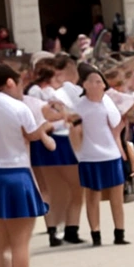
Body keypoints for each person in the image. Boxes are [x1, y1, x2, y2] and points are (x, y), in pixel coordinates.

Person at [0, 61, 56, 267]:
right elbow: (34, 135)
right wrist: (44, 129)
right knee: (20, 241)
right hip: (15, 173)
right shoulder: (18, 107)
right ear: (10, 82)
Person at [68, 64, 129, 246]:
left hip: (111, 154)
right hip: (90, 156)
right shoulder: (79, 107)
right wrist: (79, 154)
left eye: (100, 81)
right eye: (93, 81)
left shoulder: (108, 103)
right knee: (92, 196)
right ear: (85, 85)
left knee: (117, 196)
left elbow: (116, 127)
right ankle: (96, 233)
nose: (99, 85)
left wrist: (121, 150)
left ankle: (119, 232)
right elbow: (75, 133)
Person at [27, 54, 83, 247]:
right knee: (74, 186)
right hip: (57, 140)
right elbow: (55, 116)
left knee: (47, 188)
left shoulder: (31, 92)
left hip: (40, 144)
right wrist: (65, 115)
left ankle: (54, 231)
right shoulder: (46, 93)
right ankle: (69, 229)